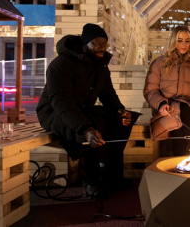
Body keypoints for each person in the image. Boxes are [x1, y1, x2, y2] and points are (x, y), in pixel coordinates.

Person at [37, 23, 139, 200]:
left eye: (104, 43)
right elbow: (61, 101)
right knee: (94, 124)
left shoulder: (100, 66)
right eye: (96, 42)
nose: (101, 47)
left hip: (83, 111)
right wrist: (86, 128)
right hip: (54, 113)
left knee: (120, 120)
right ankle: (91, 180)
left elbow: (108, 95)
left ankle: (112, 175)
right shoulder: (62, 64)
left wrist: (120, 111)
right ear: (85, 44)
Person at [144, 26, 190, 156]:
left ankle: (179, 161)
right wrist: (160, 104)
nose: (184, 44)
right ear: (173, 41)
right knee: (177, 112)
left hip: (186, 109)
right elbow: (150, 90)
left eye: (187, 41)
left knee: (182, 109)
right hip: (165, 110)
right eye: (180, 40)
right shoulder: (160, 63)